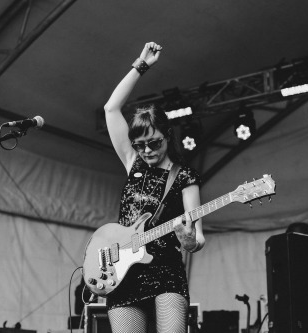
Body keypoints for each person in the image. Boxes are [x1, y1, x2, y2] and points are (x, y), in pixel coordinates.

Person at [103, 41, 206, 333]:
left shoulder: (184, 175)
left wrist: (190, 242)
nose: (147, 150)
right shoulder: (133, 162)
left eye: (154, 142)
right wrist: (141, 65)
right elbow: (111, 108)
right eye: (140, 144)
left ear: (168, 136)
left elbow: (198, 237)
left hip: (166, 273)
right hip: (124, 273)